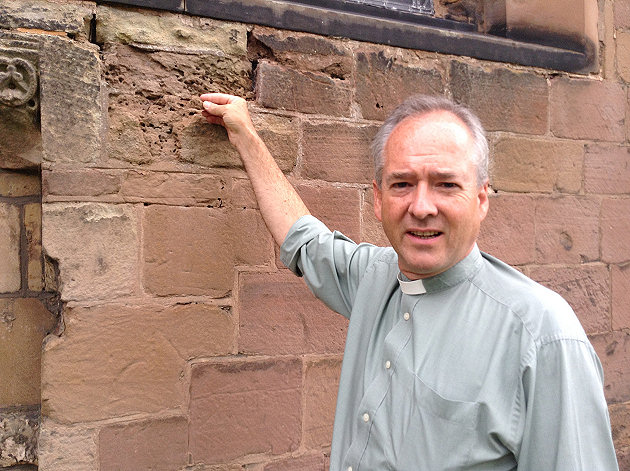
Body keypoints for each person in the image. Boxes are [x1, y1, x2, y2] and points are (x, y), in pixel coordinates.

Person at [200, 92, 619, 470]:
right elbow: (305, 239)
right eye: (403, 184)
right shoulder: (373, 279)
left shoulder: (542, 337)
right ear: (379, 200)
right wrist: (247, 138)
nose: (421, 207)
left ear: (481, 199)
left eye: (445, 185)